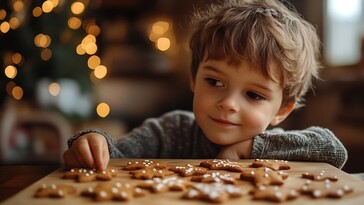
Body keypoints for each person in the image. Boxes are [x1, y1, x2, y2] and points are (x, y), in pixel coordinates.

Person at [63, 0, 347, 171]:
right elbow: (115, 153)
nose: (229, 104)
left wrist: (245, 150)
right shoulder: (171, 132)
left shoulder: (281, 146)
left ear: (282, 110)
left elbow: (333, 149)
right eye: (214, 81)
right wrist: (92, 142)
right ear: (193, 78)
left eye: (253, 95)